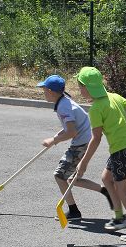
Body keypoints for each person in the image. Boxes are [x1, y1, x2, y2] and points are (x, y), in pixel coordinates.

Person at [74, 67, 126, 242]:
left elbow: (96, 138)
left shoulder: (95, 109)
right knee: (106, 178)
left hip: (121, 150)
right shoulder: (114, 96)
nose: (79, 91)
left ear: (88, 88)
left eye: (80, 87)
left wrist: (84, 163)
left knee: (122, 190)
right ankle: (119, 218)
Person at [36, 74, 113, 221]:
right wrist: (57, 137)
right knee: (73, 179)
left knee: (59, 175)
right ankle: (106, 191)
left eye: (44, 90)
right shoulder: (64, 101)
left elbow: (72, 132)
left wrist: (53, 140)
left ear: (51, 91)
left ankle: (74, 211)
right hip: (84, 140)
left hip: (81, 143)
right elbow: (71, 127)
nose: (43, 93)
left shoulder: (63, 107)